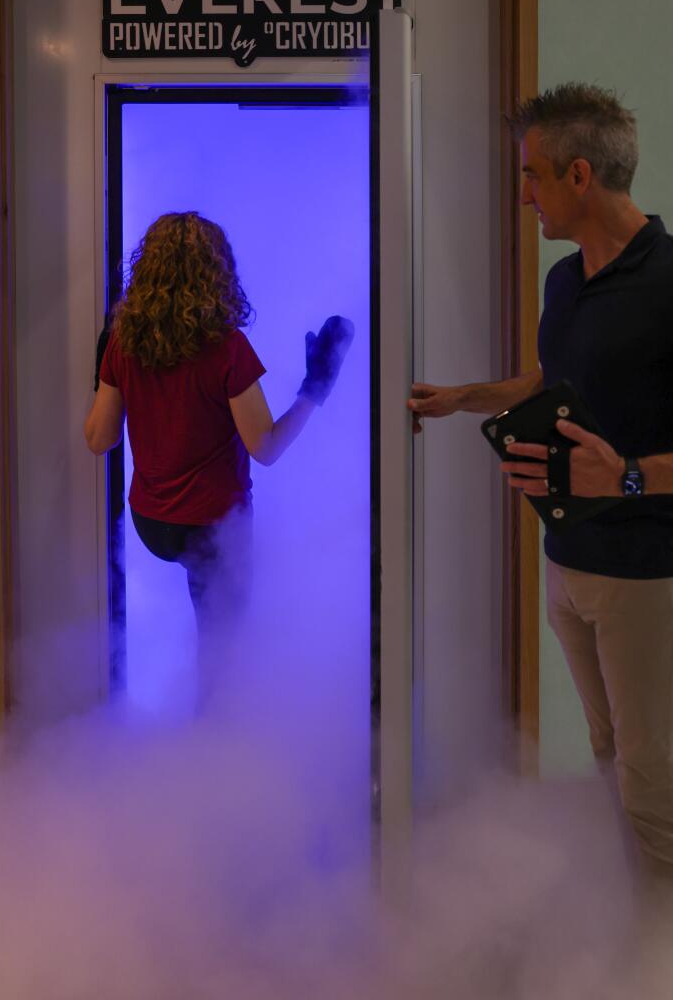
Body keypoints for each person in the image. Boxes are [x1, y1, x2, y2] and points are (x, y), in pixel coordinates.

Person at [408, 83, 673, 896]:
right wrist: (465, 398)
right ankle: (624, 922)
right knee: (608, 758)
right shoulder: (565, 280)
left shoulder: (669, 283)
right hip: (569, 564)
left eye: (533, 176)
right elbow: (554, 381)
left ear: (579, 175)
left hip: (644, 573)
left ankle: (655, 955)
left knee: (651, 775)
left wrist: (627, 475)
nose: (525, 194)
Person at [84, 210, 353, 700]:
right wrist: (315, 389)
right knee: (223, 653)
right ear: (219, 273)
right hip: (210, 529)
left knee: (213, 630)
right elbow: (266, 449)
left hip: (151, 524)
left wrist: (105, 365)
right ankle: (214, 743)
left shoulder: (123, 343)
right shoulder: (227, 349)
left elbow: (99, 439)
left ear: (147, 271)